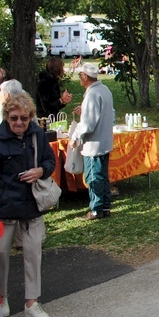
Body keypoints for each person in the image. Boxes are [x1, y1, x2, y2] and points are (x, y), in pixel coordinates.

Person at [0, 91, 56, 317]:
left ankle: (32, 302)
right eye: (14, 118)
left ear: (30, 117)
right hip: (4, 208)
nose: (19, 123)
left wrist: (41, 171)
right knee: (1, 254)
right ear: (6, 117)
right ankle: (1, 299)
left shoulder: (37, 135)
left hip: (31, 206)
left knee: (33, 253)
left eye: (23, 118)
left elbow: (49, 160)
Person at [70, 63, 115, 220]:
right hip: (104, 141)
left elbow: (88, 124)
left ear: (85, 76)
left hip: (94, 144)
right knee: (102, 175)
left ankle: (96, 209)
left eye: (80, 76)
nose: (79, 79)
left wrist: (75, 136)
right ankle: (105, 206)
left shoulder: (92, 94)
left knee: (93, 176)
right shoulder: (104, 90)